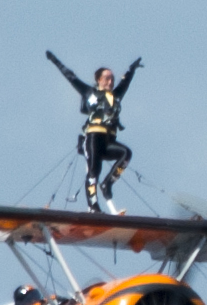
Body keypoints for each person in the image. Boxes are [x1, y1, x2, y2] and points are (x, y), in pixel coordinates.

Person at [46, 51, 143, 214]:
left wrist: (131, 70)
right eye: (107, 78)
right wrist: (56, 61)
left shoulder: (116, 96)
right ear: (98, 80)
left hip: (108, 140)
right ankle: (93, 206)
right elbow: (71, 77)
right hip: (93, 137)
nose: (111, 82)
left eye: (112, 79)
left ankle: (107, 184)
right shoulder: (89, 92)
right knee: (93, 171)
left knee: (126, 154)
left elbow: (125, 84)